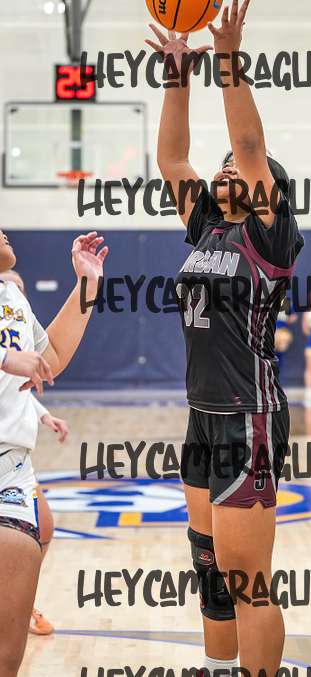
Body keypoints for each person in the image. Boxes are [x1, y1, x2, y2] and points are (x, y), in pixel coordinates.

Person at [146, 3, 304, 676]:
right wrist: (176, 74)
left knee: (246, 576)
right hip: (202, 414)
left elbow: (248, 144)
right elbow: (171, 156)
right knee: (209, 564)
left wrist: (228, 58)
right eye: (224, 166)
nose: (228, 167)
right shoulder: (208, 225)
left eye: (240, 168)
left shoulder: (268, 236)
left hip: (249, 416)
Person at [0, 229, 108, 676]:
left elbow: (55, 355)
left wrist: (87, 285)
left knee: (7, 653)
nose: (4, 232)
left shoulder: (11, 295)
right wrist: (3, 358)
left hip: (11, 468)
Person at [0, 269, 69, 636]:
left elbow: (19, 391)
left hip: (14, 457)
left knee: (44, 526)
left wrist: (45, 415)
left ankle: (20, 600)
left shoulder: (21, 327)